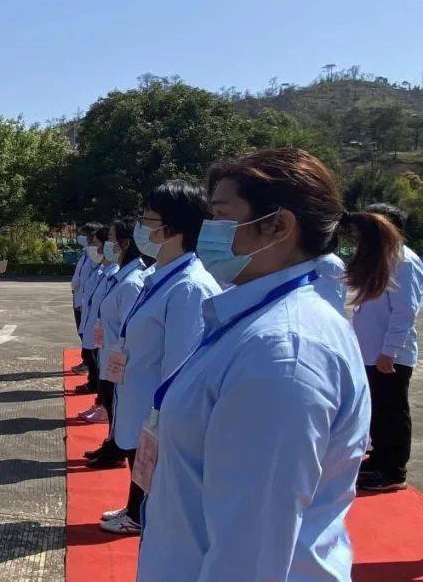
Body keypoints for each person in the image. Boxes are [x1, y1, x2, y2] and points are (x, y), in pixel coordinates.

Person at [138, 148, 400, 582]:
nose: (208, 231)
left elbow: (251, 555)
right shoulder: (257, 320)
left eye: (221, 215)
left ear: (278, 225)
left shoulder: (283, 353)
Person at [102, 181, 222, 536]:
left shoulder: (189, 287)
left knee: (160, 505)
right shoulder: (158, 278)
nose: (141, 226)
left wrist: (160, 425)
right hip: (137, 406)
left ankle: (143, 516)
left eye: (146, 218)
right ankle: (137, 510)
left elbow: (181, 373)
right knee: (139, 473)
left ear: (170, 228)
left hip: (156, 418)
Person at [353, 202, 423, 492]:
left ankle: (393, 470)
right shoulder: (381, 259)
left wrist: (389, 351)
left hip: (388, 356)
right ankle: (379, 458)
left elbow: (406, 310)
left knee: (392, 411)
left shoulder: (404, 261)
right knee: (379, 410)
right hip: (372, 352)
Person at [84, 217, 147, 470]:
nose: (106, 245)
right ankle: (112, 447)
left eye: (110, 240)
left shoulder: (132, 282)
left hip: (118, 362)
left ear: (124, 243)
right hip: (109, 356)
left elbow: (130, 330)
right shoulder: (121, 276)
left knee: (118, 410)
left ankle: (115, 450)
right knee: (112, 409)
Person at [76, 225, 118, 420]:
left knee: (105, 375)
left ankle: (104, 407)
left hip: (109, 336)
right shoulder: (103, 270)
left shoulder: (116, 275)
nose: (98, 249)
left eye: (100, 243)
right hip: (99, 332)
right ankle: (100, 404)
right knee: (101, 370)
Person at [69, 223, 101, 373]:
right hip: (78, 297)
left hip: (85, 300)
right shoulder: (85, 254)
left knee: (87, 334)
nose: (80, 237)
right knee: (82, 332)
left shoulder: (95, 255)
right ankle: (87, 362)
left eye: (84, 235)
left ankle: (90, 365)